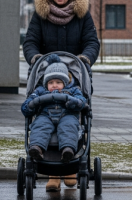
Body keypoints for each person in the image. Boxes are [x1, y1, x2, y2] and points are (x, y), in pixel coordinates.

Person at [23, 0, 99, 191]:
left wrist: (85, 59)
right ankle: (52, 175)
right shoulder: (40, 15)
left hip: (74, 77)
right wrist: (36, 59)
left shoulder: (82, 15)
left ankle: (72, 168)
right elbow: (30, 42)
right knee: (44, 119)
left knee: (73, 120)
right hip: (47, 78)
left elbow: (92, 42)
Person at [21, 55, 86, 193]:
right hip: (46, 116)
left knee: (68, 126)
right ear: (46, 84)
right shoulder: (40, 91)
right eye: (51, 83)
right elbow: (27, 105)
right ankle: (37, 148)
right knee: (40, 126)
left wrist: (74, 102)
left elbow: (81, 101)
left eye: (58, 82)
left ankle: (68, 150)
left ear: (65, 82)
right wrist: (30, 105)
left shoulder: (73, 90)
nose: (54, 85)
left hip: (67, 114)